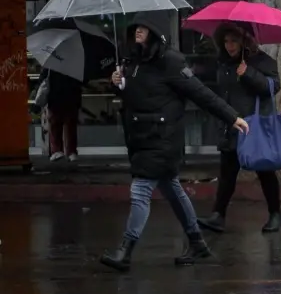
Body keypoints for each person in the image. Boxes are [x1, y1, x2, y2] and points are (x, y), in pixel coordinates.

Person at [101, 15, 248, 272]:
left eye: (144, 28)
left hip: (163, 138)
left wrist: (231, 116)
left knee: (140, 192)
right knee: (172, 189)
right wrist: (118, 84)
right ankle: (197, 243)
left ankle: (125, 250)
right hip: (141, 138)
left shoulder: (171, 62)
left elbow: (201, 93)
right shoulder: (133, 61)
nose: (138, 32)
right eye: (136, 28)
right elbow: (135, 95)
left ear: (155, 32)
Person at [199, 24, 281, 234]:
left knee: (264, 171)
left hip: (253, 124)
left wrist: (249, 73)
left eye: (234, 41)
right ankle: (218, 215)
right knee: (227, 173)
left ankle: (275, 214)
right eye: (226, 41)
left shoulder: (261, 60)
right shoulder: (224, 62)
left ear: (244, 41)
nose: (229, 46)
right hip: (231, 124)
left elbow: (273, 87)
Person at [45, 69, 83, 162]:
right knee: (70, 126)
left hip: (55, 97)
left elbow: (44, 77)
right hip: (71, 97)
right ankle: (71, 151)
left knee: (55, 125)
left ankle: (57, 150)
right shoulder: (74, 64)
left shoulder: (52, 63)